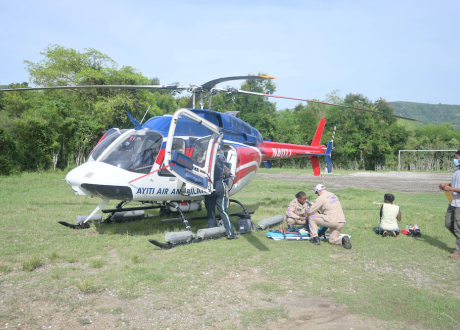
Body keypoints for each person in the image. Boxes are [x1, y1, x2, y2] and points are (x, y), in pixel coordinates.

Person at [204, 149, 237, 239]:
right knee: (223, 211)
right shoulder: (221, 163)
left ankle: (210, 232)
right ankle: (230, 232)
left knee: (210, 211)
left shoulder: (206, 161)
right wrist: (230, 174)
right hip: (220, 187)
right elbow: (227, 171)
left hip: (209, 187)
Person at [307, 184, 351, 249]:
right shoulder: (333, 195)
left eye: (317, 193)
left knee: (312, 218)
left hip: (331, 220)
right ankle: (342, 239)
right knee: (332, 240)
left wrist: (308, 211)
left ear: (318, 191)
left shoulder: (320, 198)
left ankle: (315, 238)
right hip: (341, 222)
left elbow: (311, 212)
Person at [439, 150, 460, 258]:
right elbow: (455, 184)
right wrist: (446, 185)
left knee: (458, 227)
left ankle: (458, 251)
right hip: (452, 202)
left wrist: (450, 188)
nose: (455, 160)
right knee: (448, 224)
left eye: (457, 158)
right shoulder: (456, 171)